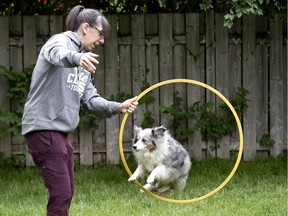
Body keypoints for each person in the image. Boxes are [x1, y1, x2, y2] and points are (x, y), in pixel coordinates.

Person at [21, 5, 138, 216]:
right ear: (85, 27)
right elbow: (55, 53)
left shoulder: (84, 60)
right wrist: (77, 58)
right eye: (100, 34)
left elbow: (91, 99)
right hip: (44, 128)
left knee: (67, 192)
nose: (102, 40)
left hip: (60, 132)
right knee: (61, 192)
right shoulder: (61, 41)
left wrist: (117, 107)